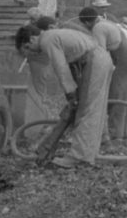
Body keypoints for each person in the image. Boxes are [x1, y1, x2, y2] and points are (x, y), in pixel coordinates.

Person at [28, 23, 113, 168]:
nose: (32, 52)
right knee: (94, 108)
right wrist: (74, 93)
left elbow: (61, 67)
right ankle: (90, 151)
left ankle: (79, 157)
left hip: (94, 60)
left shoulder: (46, 41)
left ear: (31, 39)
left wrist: (70, 92)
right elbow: (71, 63)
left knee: (86, 110)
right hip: (101, 58)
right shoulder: (55, 34)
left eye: (28, 48)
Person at [79, 3, 127, 142]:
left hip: (122, 58)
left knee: (117, 94)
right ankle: (120, 131)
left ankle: (115, 133)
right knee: (122, 94)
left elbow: (101, 54)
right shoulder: (105, 22)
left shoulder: (98, 28)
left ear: (86, 22)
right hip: (126, 56)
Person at [15, 9, 63, 143]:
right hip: (40, 64)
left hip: (40, 64)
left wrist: (28, 53)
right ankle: (41, 124)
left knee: (38, 93)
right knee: (38, 93)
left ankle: (40, 125)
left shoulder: (41, 33)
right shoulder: (39, 33)